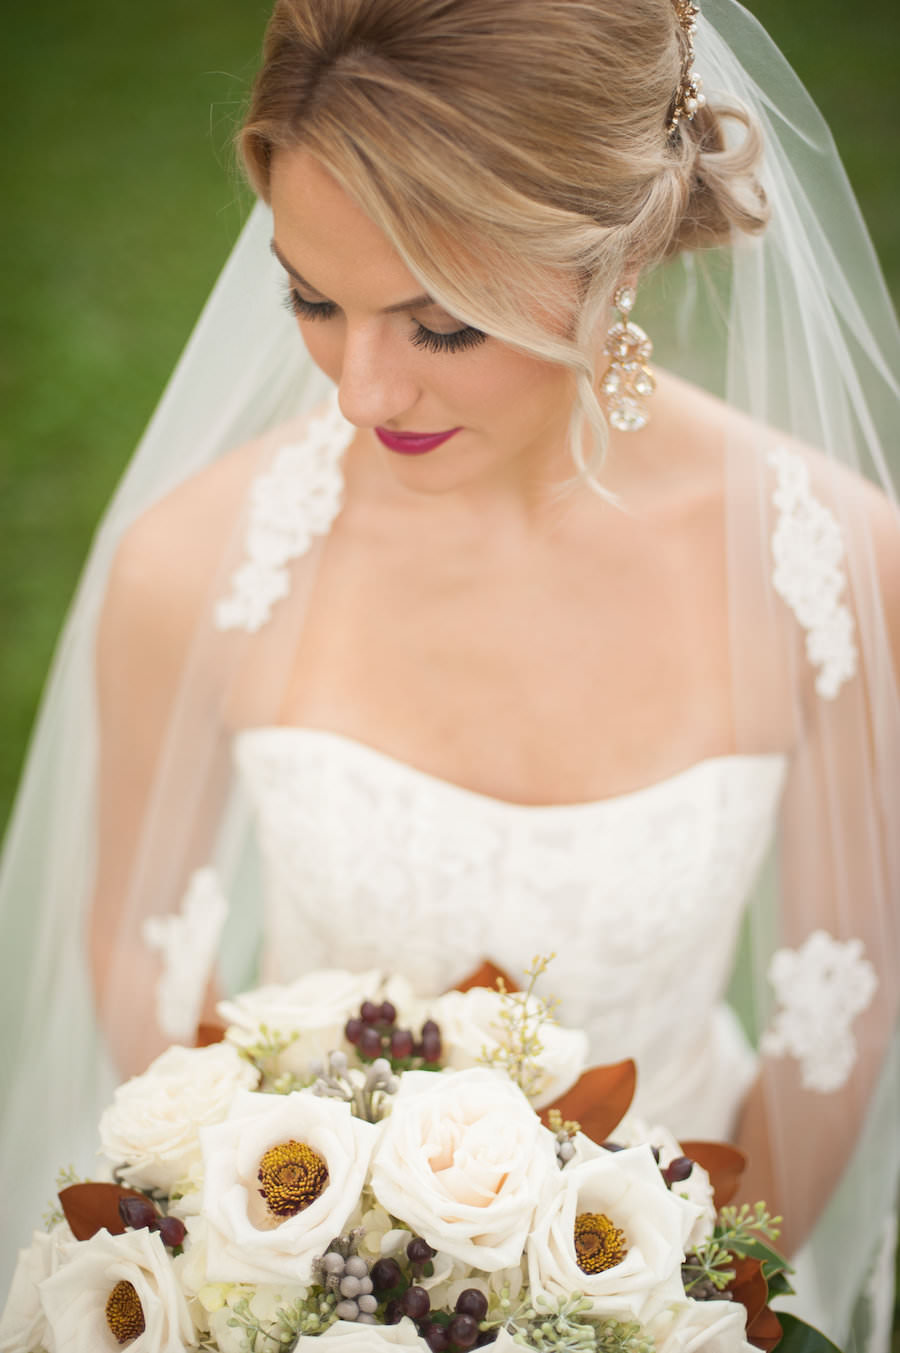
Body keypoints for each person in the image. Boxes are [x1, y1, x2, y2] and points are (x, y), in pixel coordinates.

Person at [1, 0, 898, 1347]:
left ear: (621, 254)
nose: (362, 392)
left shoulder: (830, 565)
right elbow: (138, 945)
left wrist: (687, 1304)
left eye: (440, 326)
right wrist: (265, 1262)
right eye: (313, 299)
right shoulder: (196, 566)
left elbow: (839, 1007)